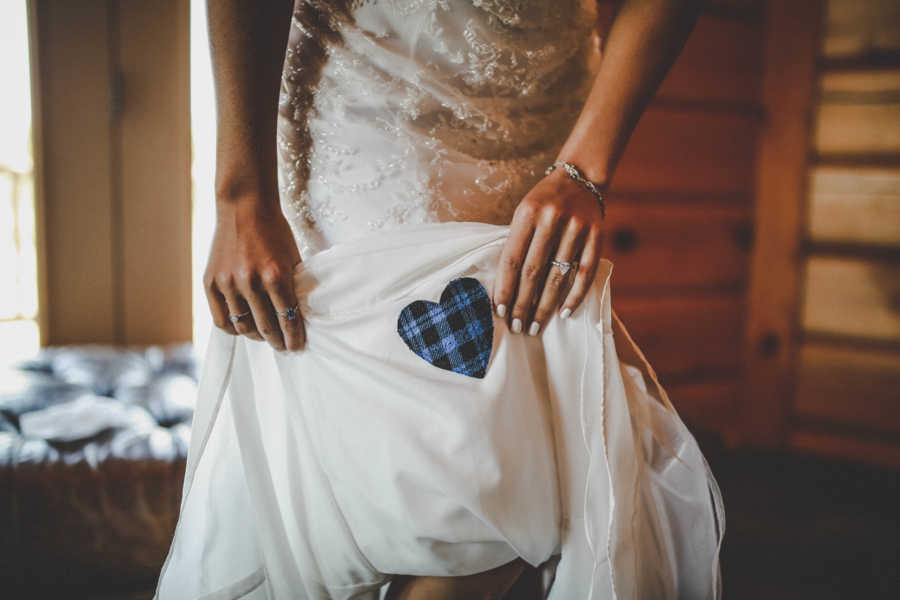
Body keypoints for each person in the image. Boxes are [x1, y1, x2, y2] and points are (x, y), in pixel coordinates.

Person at [180, 1, 709, 598]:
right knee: (456, 500)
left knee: (514, 485)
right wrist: (239, 194)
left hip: (548, 128)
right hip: (373, 116)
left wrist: (585, 166)